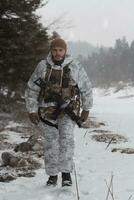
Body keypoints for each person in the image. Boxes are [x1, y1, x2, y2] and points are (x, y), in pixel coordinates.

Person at [25, 37, 93, 187]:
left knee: (67, 141)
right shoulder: (42, 66)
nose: (57, 53)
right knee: (51, 144)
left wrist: (86, 109)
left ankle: (66, 174)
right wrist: (31, 110)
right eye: (55, 50)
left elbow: (86, 88)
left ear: (65, 51)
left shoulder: (75, 66)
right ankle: (52, 176)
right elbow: (32, 89)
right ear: (51, 50)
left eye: (60, 50)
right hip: (46, 112)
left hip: (68, 112)